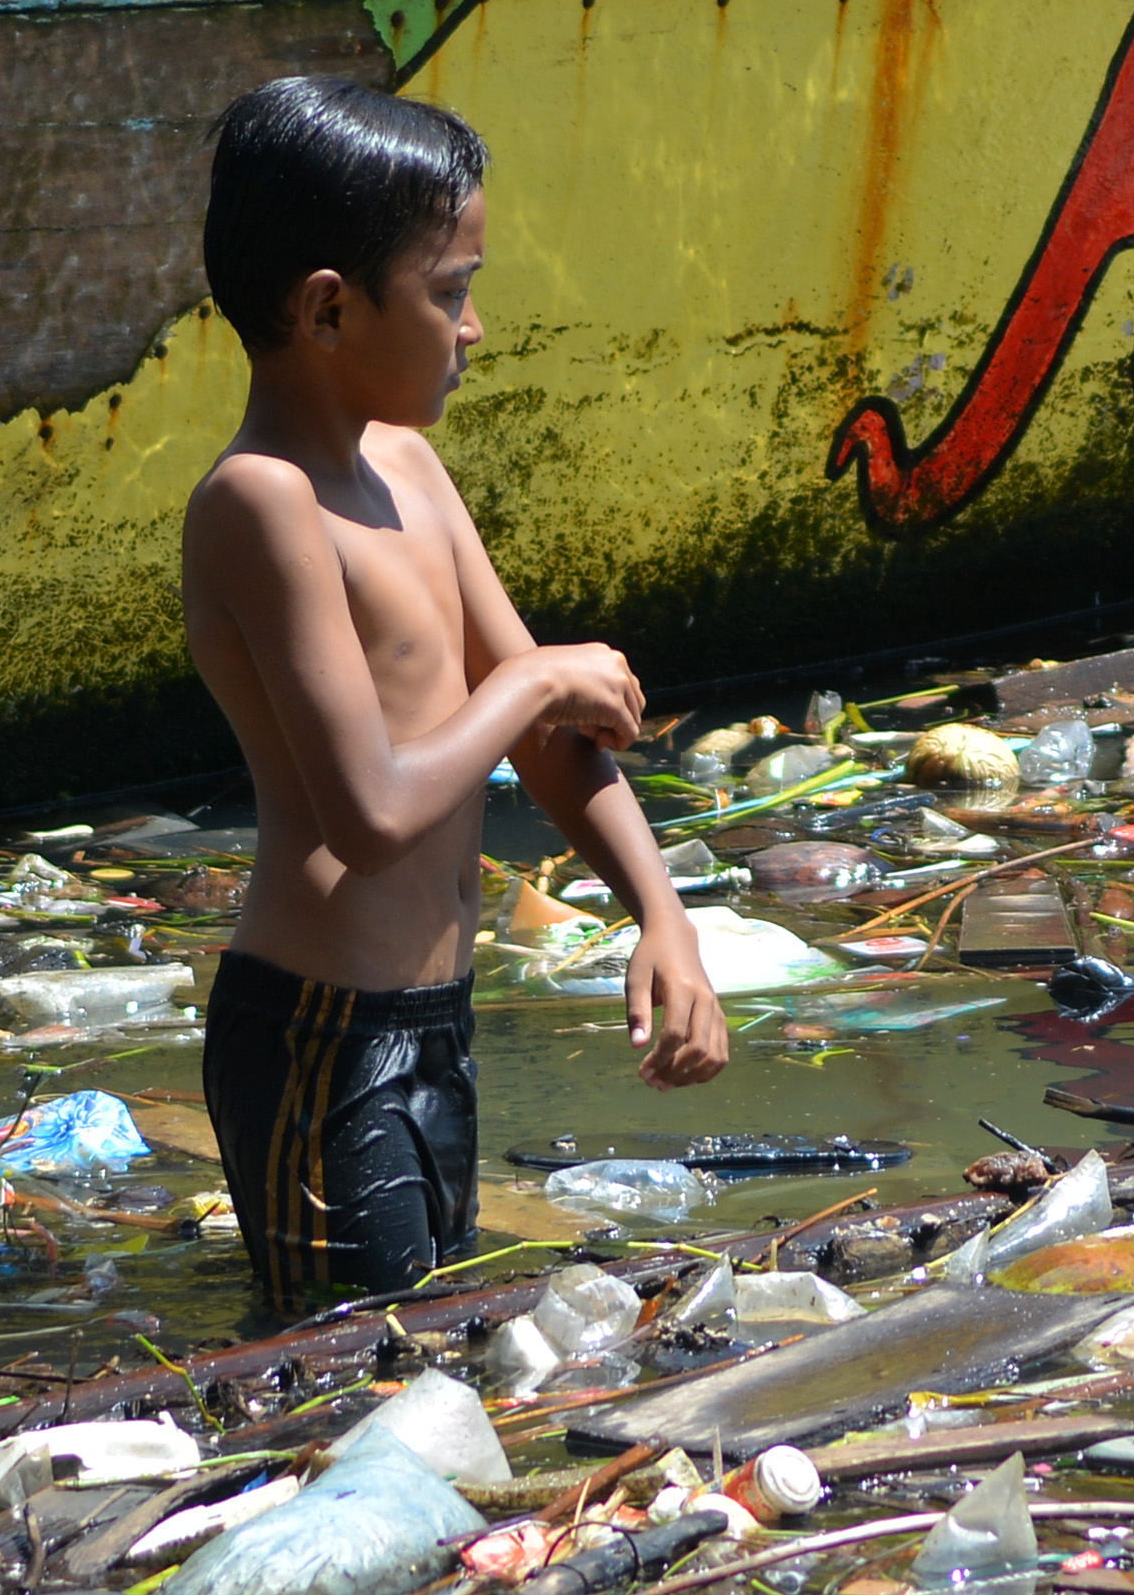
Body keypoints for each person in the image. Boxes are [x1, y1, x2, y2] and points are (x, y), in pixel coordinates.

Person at [181, 75, 726, 1314]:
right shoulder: (260, 502)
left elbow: (551, 748)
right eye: (448, 291)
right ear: (328, 309)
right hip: (318, 1037)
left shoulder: (410, 471)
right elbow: (367, 813)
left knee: (428, 1341)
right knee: (341, 1373)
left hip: (435, 1022)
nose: (471, 327)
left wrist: (663, 914)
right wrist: (532, 679)